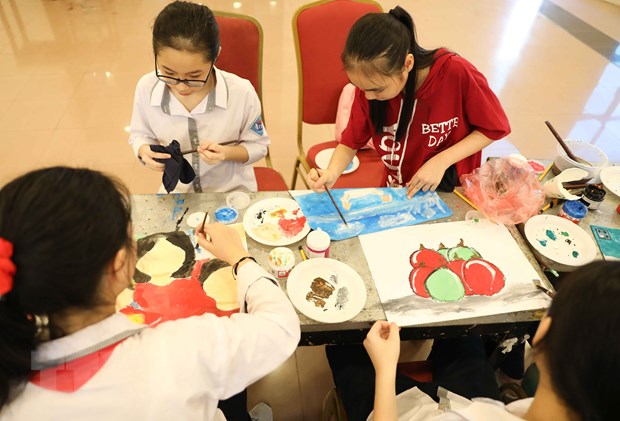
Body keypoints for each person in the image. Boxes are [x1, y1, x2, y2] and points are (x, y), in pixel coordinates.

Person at [0, 167, 300, 420]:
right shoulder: (182, 351)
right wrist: (239, 257)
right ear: (119, 264)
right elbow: (280, 326)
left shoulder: (13, 389)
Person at [336, 260, 619, 420]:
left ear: (544, 332)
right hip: (469, 404)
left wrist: (385, 369)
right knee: (463, 331)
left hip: (399, 412)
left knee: (345, 340)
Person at [308, 6, 510, 198]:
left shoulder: (454, 73)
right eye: (360, 88)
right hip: (399, 191)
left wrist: (441, 161)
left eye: (377, 89)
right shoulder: (369, 90)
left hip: (452, 191)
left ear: (407, 64)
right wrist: (331, 172)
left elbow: (493, 128)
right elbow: (350, 142)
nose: (367, 97)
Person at [129, 1, 269, 193]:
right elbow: (139, 135)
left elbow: (259, 146)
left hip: (231, 191)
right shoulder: (147, 88)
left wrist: (226, 153)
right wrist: (144, 150)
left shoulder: (241, 93)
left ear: (216, 55)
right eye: (168, 73)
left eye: (194, 76)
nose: (181, 86)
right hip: (178, 193)